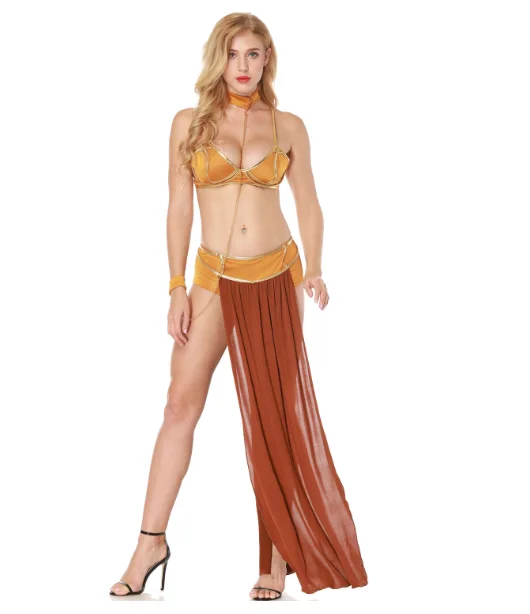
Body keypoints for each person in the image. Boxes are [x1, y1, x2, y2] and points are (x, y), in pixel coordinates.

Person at [109, 12, 368, 600]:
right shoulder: (189, 123)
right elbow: (178, 207)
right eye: (233, 55)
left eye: (253, 54)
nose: (243, 66)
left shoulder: (289, 126)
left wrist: (315, 268)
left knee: (275, 419)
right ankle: (150, 543)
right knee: (179, 406)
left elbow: (309, 204)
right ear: (217, 59)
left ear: (267, 58)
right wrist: (176, 285)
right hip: (211, 279)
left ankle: (275, 559)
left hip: (276, 276)